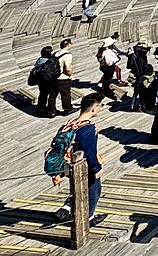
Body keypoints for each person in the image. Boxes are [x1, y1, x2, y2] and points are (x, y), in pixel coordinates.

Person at [53, 93, 107, 228]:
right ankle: (88, 217)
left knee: (77, 187)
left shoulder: (69, 123)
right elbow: (90, 151)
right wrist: (97, 168)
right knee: (94, 189)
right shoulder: (88, 128)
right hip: (81, 165)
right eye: (99, 106)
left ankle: (66, 208)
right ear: (93, 109)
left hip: (66, 163)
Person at [53, 39, 74, 115]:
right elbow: (67, 68)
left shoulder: (56, 53)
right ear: (68, 45)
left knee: (53, 95)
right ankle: (67, 109)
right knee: (65, 94)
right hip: (63, 78)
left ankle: (51, 110)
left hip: (54, 77)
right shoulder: (67, 55)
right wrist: (70, 74)